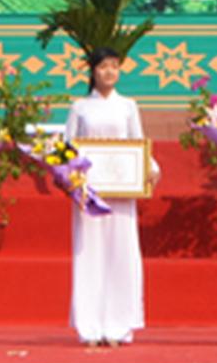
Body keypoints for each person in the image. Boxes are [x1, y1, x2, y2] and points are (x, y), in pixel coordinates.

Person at [64, 47, 159, 347]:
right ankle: (89, 325)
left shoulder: (128, 106)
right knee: (89, 253)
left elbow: (138, 143)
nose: (109, 72)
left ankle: (119, 324)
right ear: (93, 71)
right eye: (103, 66)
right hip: (90, 193)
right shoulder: (80, 107)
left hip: (121, 190)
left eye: (114, 66)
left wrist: (150, 168)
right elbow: (67, 148)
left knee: (121, 252)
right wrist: (70, 176)